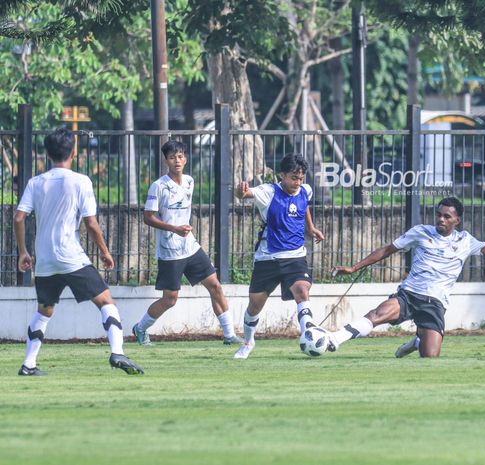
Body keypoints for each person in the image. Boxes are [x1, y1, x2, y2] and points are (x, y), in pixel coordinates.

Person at [330, 197, 485, 358]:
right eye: (439, 215)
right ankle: (334, 339)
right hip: (409, 294)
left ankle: (418, 341)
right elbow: (387, 250)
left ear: (457, 221)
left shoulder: (465, 241)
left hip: (435, 303)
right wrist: (354, 267)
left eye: (446, 216)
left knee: (430, 356)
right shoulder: (420, 232)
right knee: (377, 315)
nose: (441, 220)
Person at [13, 127, 143, 376]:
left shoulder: (35, 182)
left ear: (48, 153)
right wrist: (104, 252)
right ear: (73, 152)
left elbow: (19, 218)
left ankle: (28, 365)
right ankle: (117, 352)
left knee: (45, 310)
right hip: (71, 257)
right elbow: (91, 223)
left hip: (46, 261)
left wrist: (23, 252)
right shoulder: (81, 181)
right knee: (106, 301)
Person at [132, 140, 240, 346]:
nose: (177, 161)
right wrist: (174, 228)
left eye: (180, 156)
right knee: (170, 299)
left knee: (215, 285)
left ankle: (229, 335)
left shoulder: (189, 181)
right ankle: (140, 328)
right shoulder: (159, 186)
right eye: (172, 157)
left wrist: (184, 230)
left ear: (186, 158)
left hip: (190, 246)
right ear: (166, 160)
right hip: (170, 251)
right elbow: (148, 217)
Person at [233, 153, 325, 359]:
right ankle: (248, 342)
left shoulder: (305, 190)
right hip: (268, 257)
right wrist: (240, 192)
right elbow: (244, 195)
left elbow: (304, 206)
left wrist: (310, 228)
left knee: (302, 290)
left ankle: (308, 333)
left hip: (295, 256)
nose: (297, 182)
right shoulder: (268, 192)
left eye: (301, 178)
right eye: (293, 177)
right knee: (255, 305)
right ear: (282, 175)